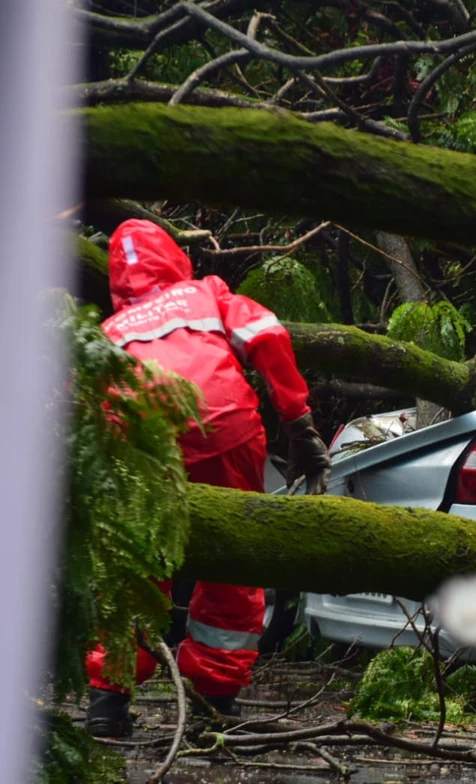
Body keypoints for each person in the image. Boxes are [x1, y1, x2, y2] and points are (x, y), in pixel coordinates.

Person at [85, 219, 332, 737]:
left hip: (139, 441)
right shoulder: (206, 294)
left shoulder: (109, 332)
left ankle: (107, 702)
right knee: (233, 564)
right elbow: (268, 335)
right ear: (176, 258)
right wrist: (298, 423)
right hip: (225, 428)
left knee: (132, 570)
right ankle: (215, 701)